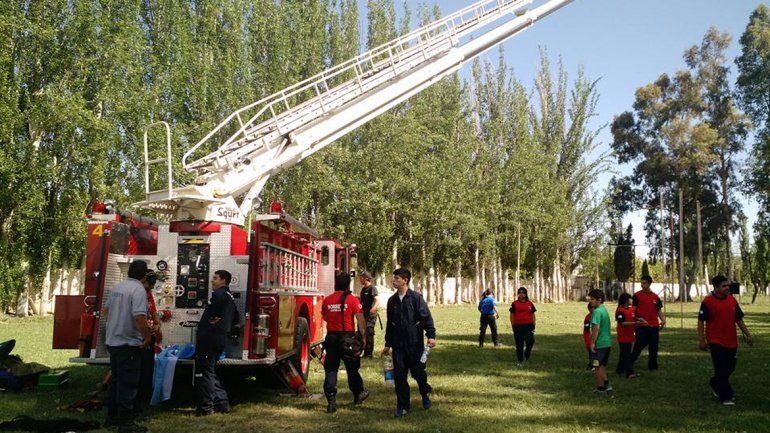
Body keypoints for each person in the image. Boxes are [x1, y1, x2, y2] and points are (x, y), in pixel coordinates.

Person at [103, 260, 151, 433]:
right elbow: (139, 317)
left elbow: (106, 310)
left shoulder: (119, 286)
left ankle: (112, 417)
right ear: (144, 275)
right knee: (128, 383)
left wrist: (115, 324)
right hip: (127, 343)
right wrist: (146, 336)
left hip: (113, 341)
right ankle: (126, 423)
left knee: (116, 381)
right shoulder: (138, 290)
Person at [382, 268, 436, 418]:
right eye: (394, 278)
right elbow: (389, 324)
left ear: (405, 280)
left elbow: (426, 319)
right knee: (399, 375)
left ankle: (425, 393)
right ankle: (402, 406)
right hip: (398, 346)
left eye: (397, 278)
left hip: (415, 344)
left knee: (418, 373)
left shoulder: (416, 298)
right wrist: (387, 344)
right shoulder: (392, 301)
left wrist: (431, 336)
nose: (394, 280)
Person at [698, 275, 753, 406]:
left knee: (730, 367)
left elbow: (739, 319)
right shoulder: (707, 301)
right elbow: (701, 322)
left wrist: (747, 334)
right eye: (724, 286)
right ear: (716, 288)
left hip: (731, 340)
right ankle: (726, 397)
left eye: (728, 285)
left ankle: (714, 382)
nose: (727, 288)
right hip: (715, 340)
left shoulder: (732, 301)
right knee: (721, 368)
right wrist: (702, 340)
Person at [321, 274, 368, 413]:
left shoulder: (327, 300)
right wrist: (363, 338)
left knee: (331, 370)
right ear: (348, 285)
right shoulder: (352, 300)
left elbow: (324, 316)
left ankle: (331, 401)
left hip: (331, 338)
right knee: (352, 369)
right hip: (347, 339)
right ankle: (358, 394)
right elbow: (361, 321)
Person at [194, 270, 237, 416]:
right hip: (220, 339)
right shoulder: (230, 297)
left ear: (223, 280)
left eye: (215, 278)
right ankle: (222, 403)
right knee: (210, 371)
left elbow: (212, 311)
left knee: (205, 373)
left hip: (209, 338)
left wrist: (213, 318)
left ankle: (205, 408)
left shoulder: (218, 294)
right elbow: (236, 318)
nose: (212, 281)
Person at [136, 270, 162, 413]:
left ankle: (144, 399)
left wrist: (157, 324)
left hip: (148, 336)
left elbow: (153, 311)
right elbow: (138, 317)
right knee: (137, 370)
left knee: (147, 369)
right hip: (139, 338)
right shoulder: (136, 293)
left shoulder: (148, 294)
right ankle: (136, 401)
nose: (151, 289)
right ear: (143, 280)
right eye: (150, 286)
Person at [630, 275, 666, 370]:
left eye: (644, 283)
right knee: (639, 345)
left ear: (649, 283)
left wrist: (663, 319)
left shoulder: (655, 297)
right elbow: (633, 310)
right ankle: (630, 361)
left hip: (654, 326)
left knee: (654, 347)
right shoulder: (637, 295)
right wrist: (637, 320)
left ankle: (653, 366)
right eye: (641, 283)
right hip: (641, 325)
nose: (642, 285)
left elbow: (659, 310)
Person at [615, 293, 645, 378]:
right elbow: (623, 323)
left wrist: (640, 319)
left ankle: (620, 370)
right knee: (627, 355)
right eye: (630, 299)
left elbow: (634, 316)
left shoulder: (631, 309)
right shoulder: (620, 310)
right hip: (623, 336)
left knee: (624, 353)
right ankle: (630, 372)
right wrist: (635, 323)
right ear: (626, 300)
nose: (632, 300)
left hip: (630, 335)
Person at [589, 289, 612, 396]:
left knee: (597, 367)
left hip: (599, 344)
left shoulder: (597, 312)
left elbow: (595, 328)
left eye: (592, 299)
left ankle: (600, 389)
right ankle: (607, 386)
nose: (591, 301)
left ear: (599, 300)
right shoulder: (604, 309)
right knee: (602, 366)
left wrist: (592, 343)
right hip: (607, 343)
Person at [509, 287, 536, 363]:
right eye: (520, 292)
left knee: (530, 341)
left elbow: (533, 314)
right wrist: (513, 324)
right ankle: (520, 360)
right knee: (519, 343)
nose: (521, 294)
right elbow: (512, 314)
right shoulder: (514, 304)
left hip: (529, 325)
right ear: (518, 294)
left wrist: (534, 324)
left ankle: (527, 353)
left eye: (523, 292)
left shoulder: (530, 303)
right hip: (518, 325)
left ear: (526, 294)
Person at [358, 271, 379, 358]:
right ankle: (360, 351)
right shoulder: (363, 289)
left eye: (361, 278)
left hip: (370, 315)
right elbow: (361, 301)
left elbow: (377, 300)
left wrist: (373, 309)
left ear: (366, 278)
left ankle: (369, 354)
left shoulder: (372, 288)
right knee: (361, 333)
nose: (360, 280)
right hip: (363, 315)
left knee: (369, 333)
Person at [583, 302, 595, 370]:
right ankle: (592, 365)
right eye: (594, 308)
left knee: (595, 353)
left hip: (594, 338)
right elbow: (587, 329)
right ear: (590, 309)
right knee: (592, 353)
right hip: (589, 339)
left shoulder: (596, 316)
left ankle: (594, 365)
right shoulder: (588, 318)